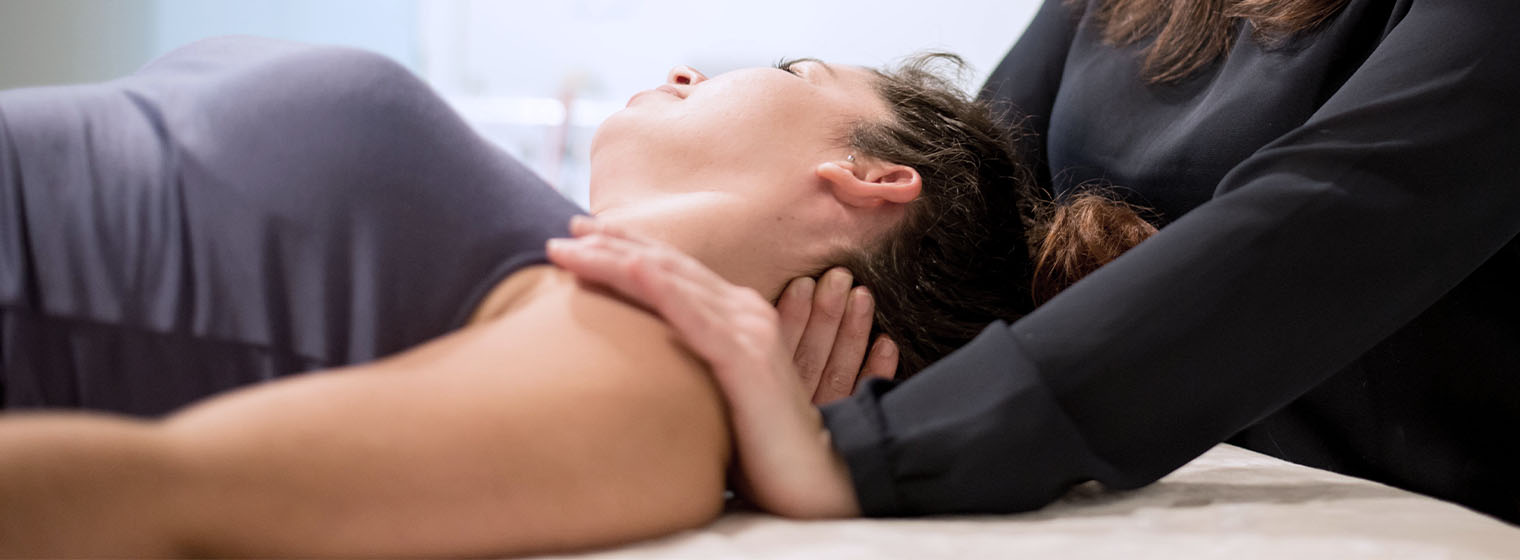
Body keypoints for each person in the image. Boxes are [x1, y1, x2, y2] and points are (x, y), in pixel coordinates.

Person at [0, 36, 1151, 555]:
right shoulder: (550, 255)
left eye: (797, 69)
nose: (698, 65)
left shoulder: (638, 389)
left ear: (867, 177)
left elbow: (162, 500)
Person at [551, 0, 1520, 525]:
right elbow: (966, 197)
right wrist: (854, 339)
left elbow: (1318, 228)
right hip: (1129, 505)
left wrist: (859, 450)